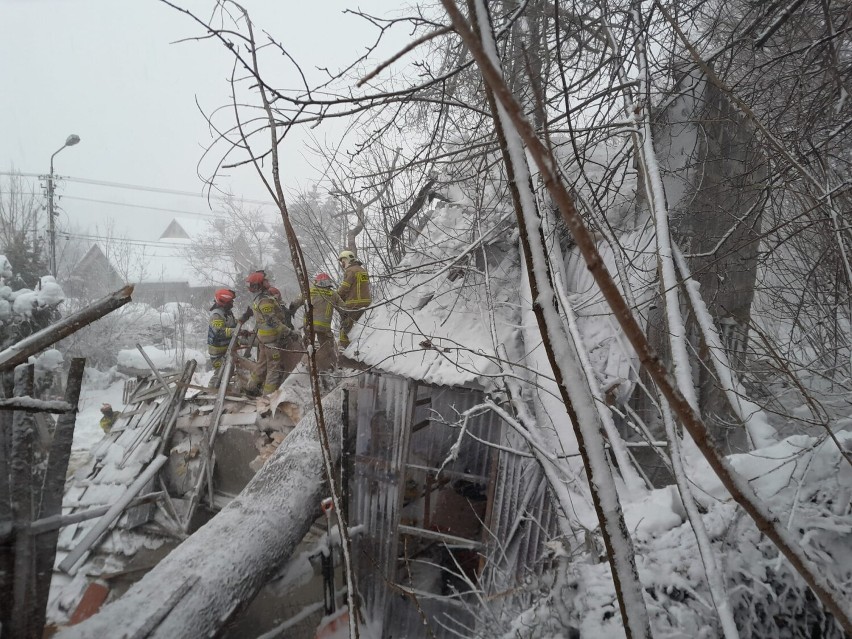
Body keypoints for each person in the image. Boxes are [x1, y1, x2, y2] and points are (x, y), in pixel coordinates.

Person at [240, 271, 300, 396]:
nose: (268, 282)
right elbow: (273, 321)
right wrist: (289, 332)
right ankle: (267, 398)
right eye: (265, 280)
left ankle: (250, 388)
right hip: (271, 341)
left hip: (264, 340)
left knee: (261, 366)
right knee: (274, 368)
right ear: (260, 284)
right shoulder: (264, 301)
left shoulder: (259, 299)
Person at [289, 272, 344, 371]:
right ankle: (331, 367)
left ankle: (306, 365)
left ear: (316, 282)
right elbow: (343, 310)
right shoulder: (333, 294)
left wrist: (290, 313)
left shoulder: (309, 291)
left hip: (309, 326)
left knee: (309, 346)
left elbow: (294, 303)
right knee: (327, 347)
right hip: (324, 327)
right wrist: (345, 320)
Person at [336, 250, 371, 348]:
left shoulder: (350, 271)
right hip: (366, 303)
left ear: (346, 260)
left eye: (342, 260)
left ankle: (343, 347)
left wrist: (336, 296)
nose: (341, 263)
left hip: (353, 304)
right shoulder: (362, 270)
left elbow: (345, 287)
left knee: (345, 326)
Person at [207, 288, 237, 387]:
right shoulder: (217, 314)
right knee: (220, 373)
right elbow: (219, 332)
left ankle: (222, 390)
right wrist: (236, 332)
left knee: (229, 370)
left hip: (226, 347)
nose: (232, 303)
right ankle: (212, 392)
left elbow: (234, 324)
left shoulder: (227, 312)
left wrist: (244, 318)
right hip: (218, 350)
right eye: (230, 301)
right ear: (224, 301)